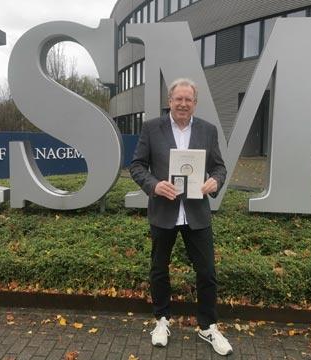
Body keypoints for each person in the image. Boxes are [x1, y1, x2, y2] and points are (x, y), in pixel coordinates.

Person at [130, 78, 232, 356]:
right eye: (179, 99)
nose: (183, 104)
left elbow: (220, 167)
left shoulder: (208, 131)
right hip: (164, 211)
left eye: (189, 99)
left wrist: (215, 181)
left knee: (207, 272)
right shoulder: (152, 128)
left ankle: (208, 326)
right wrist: (153, 185)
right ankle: (162, 320)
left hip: (197, 213)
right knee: (159, 269)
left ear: (195, 103)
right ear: (170, 101)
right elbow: (137, 165)